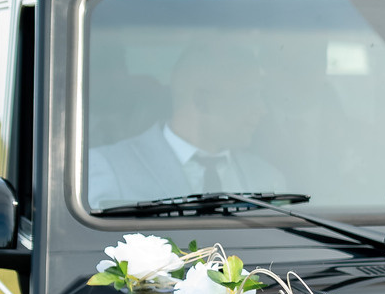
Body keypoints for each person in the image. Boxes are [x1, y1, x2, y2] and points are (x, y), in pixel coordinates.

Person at [87, 44, 289, 207]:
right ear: (203, 101)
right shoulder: (107, 169)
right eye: (249, 96)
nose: (262, 110)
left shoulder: (268, 178)